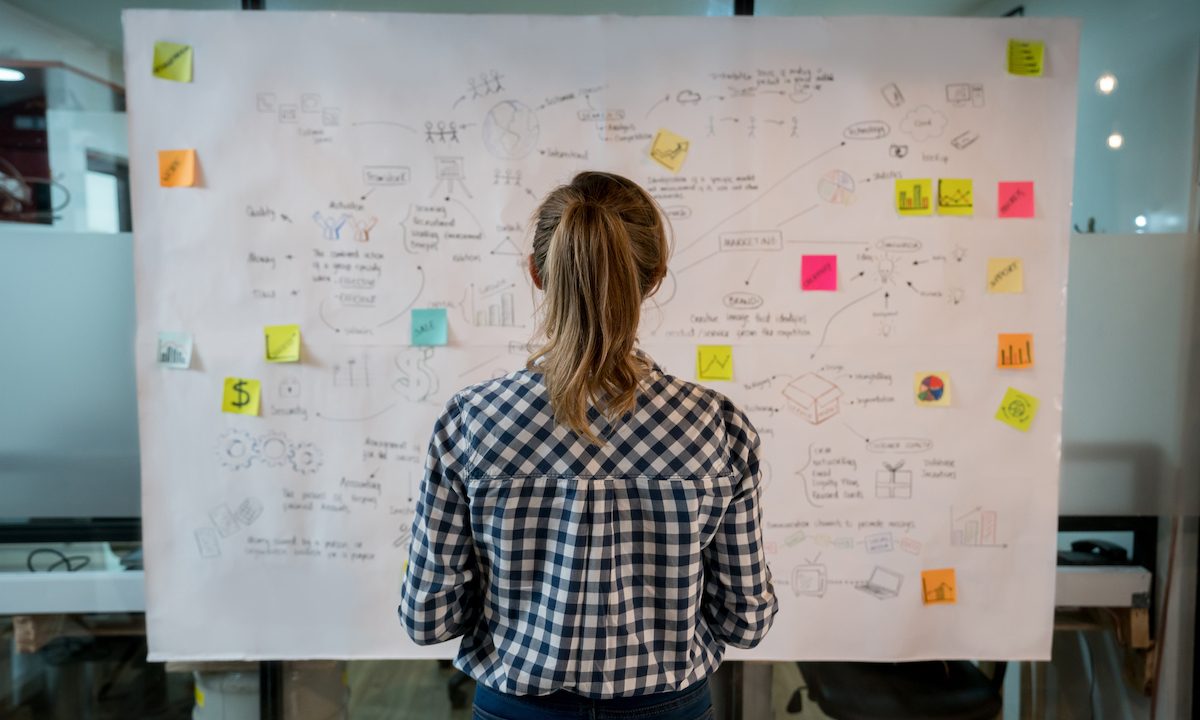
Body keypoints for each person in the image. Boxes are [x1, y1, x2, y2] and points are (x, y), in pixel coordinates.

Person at [399, 171, 777, 720]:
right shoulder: (717, 425)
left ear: (536, 273)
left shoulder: (471, 422)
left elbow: (427, 617)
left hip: (516, 708)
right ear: (652, 280)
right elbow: (746, 621)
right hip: (667, 708)